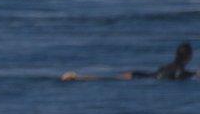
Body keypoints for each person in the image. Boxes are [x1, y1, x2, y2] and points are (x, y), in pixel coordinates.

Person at [63, 41, 195, 82]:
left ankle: (78, 77)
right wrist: (194, 75)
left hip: (145, 74)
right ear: (189, 56)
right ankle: (77, 78)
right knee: (109, 79)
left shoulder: (168, 65)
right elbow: (179, 76)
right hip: (147, 78)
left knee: (109, 78)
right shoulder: (180, 69)